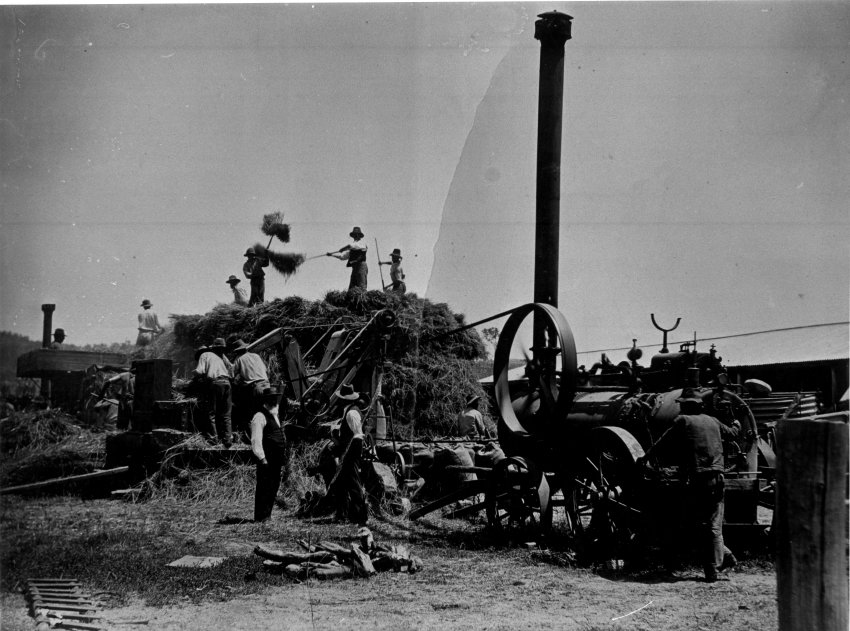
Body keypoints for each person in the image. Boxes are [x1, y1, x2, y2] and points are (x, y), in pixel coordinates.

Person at [644, 387, 741, 582]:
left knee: (698, 524)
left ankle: (714, 567)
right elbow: (732, 433)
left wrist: (644, 458)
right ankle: (723, 559)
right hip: (718, 478)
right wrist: (736, 421)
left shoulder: (682, 421)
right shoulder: (712, 420)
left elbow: (663, 443)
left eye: (682, 405)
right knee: (713, 524)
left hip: (698, 480)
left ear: (686, 406)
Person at [250, 385, 289, 522]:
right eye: (272, 398)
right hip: (267, 458)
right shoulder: (259, 416)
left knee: (274, 485)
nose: (274, 400)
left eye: (275, 398)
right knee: (264, 487)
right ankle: (260, 516)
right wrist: (262, 458)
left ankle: (267, 515)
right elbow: (256, 440)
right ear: (265, 400)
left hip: (276, 459)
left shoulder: (275, 415)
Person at [193, 338, 234, 448]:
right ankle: (228, 440)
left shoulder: (204, 355)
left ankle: (214, 440)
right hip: (227, 383)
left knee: (211, 413)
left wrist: (194, 377)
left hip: (216, 383)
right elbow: (231, 370)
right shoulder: (219, 357)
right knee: (226, 414)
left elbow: (199, 371)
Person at [230, 338, 271, 434]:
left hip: (256, 387)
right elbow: (265, 370)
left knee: (252, 412)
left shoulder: (239, 359)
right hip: (267, 384)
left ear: (237, 351)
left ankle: (251, 435)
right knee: (267, 412)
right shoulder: (256, 356)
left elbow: (232, 375)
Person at [327, 226, 368, 291]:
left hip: (361, 266)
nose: (355, 236)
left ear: (359, 235)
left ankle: (364, 297)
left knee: (361, 285)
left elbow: (350, 246)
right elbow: (342, 257)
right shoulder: (352, 248)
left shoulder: (361, 243)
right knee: (352, 287)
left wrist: (342, 249)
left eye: (356, 235)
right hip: (355, 267)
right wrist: (331, 255)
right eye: (354, 235)